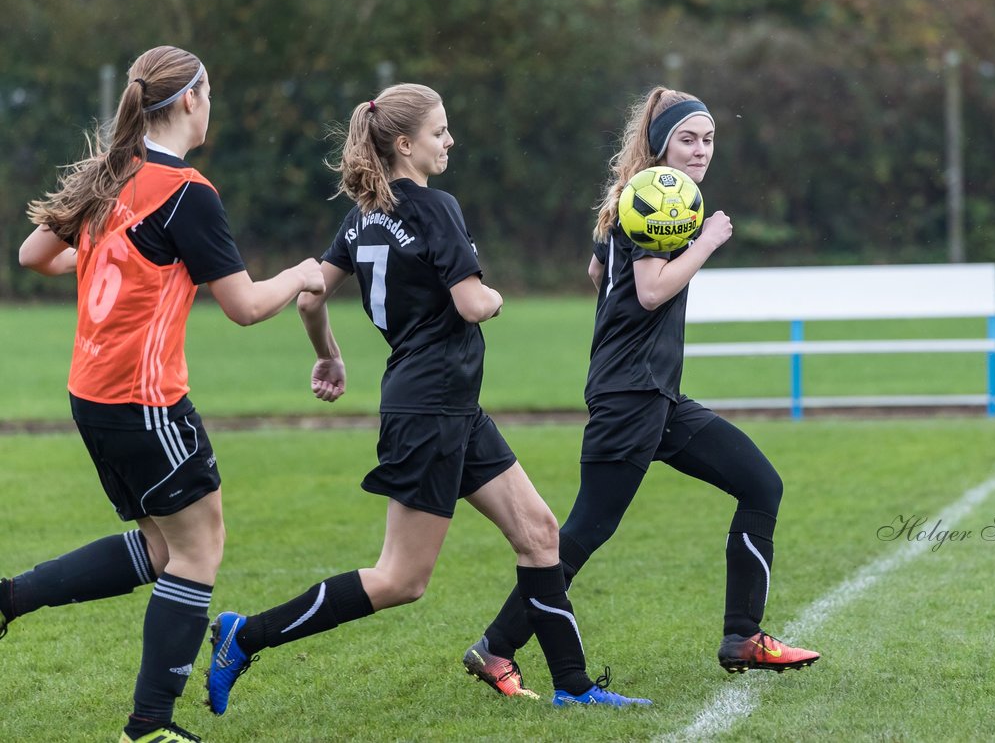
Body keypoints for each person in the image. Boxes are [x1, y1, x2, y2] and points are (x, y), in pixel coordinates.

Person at [204, 82, 650, 717]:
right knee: (400, 580)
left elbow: (310, 296)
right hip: (431, 408)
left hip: (445, 405)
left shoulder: (360, 216)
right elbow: (473, 304)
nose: (450, 141)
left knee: (539, 533)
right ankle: (244, 635)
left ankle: (574, 687)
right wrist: (494, 297)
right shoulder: (436, 207)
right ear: (405, 143)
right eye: (440, 132)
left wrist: (328, 354)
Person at [9, 45, 325, 743]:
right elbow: (243, 306)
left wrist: (101, 255)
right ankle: (148, 726)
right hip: (143, 399)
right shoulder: (188, 192)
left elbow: (33, 255)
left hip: (90, 393)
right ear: (190, 99)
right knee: (198, 549)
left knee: (161, 547)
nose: (210, 105)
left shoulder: (112, 172)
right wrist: (300, 273)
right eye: (209, 93)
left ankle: (9, 599)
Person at [461, 86, 820, 697]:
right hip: (631, 395)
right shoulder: (655, 198)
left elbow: (598, 273)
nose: (702, 149)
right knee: (583, 530)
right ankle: (496, 647)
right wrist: (706, 241)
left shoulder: (643, 197)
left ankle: (743, 636)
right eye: (689, 138)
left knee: (760, 483)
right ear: (660, 144)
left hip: (654, 394)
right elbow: (651, 290)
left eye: (709, 138)